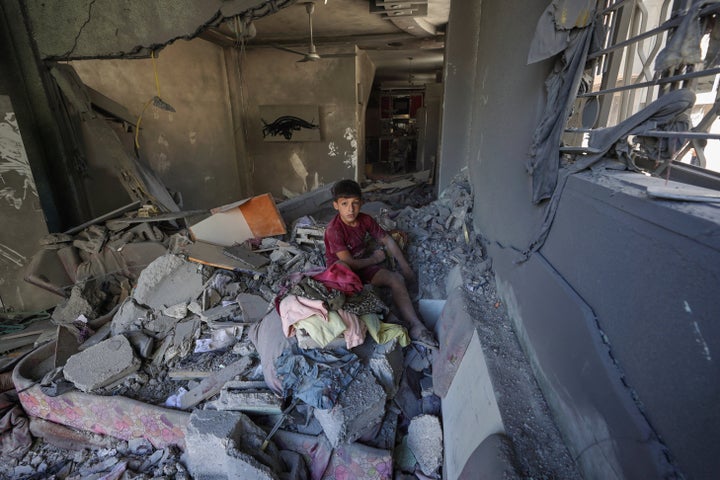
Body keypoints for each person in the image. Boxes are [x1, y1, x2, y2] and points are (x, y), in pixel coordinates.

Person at [323, 179, 437, 348]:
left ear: (361, 203)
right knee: (364, 299)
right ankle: (393, 322)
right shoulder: (334, 230)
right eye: (344, 204)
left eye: (355, 203)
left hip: (362, 265)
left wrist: (405, 267)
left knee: (396, 279)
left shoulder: (365, 220)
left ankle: (416, 325)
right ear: (336, 205)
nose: (350, 209)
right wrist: (375, 259)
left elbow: (388, 240)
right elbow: (348, 263)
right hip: (342, 274)